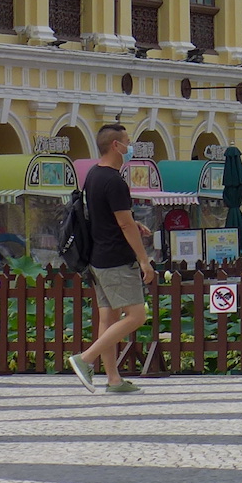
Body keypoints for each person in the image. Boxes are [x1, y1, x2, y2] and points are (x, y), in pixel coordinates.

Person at [68, 123, 156, 395]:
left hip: (98, 257)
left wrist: (132, 224)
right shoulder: (115, 180)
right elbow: (124, 224)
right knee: (137, 315)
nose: (130, 147)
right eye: (128, 142)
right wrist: (144, 260)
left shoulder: (93, 175)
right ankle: (85, 359)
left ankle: (114, 379)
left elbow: (108, 217)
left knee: (107, 318)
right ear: (116, 146)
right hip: (117, 259)